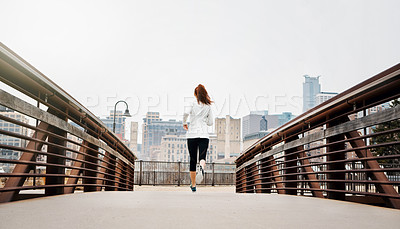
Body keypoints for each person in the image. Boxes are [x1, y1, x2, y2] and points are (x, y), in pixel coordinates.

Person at [183, 84, 213, 192]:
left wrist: (184, 122)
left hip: (192, 134)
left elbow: (185, 113)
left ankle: (194, 184)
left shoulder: (192, 103)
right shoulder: (208, 106)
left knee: (192, 159)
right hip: (204, 134)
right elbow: (211, 122)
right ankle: (201, 166)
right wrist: (204, 120)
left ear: (195, 94)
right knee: (202, 157)